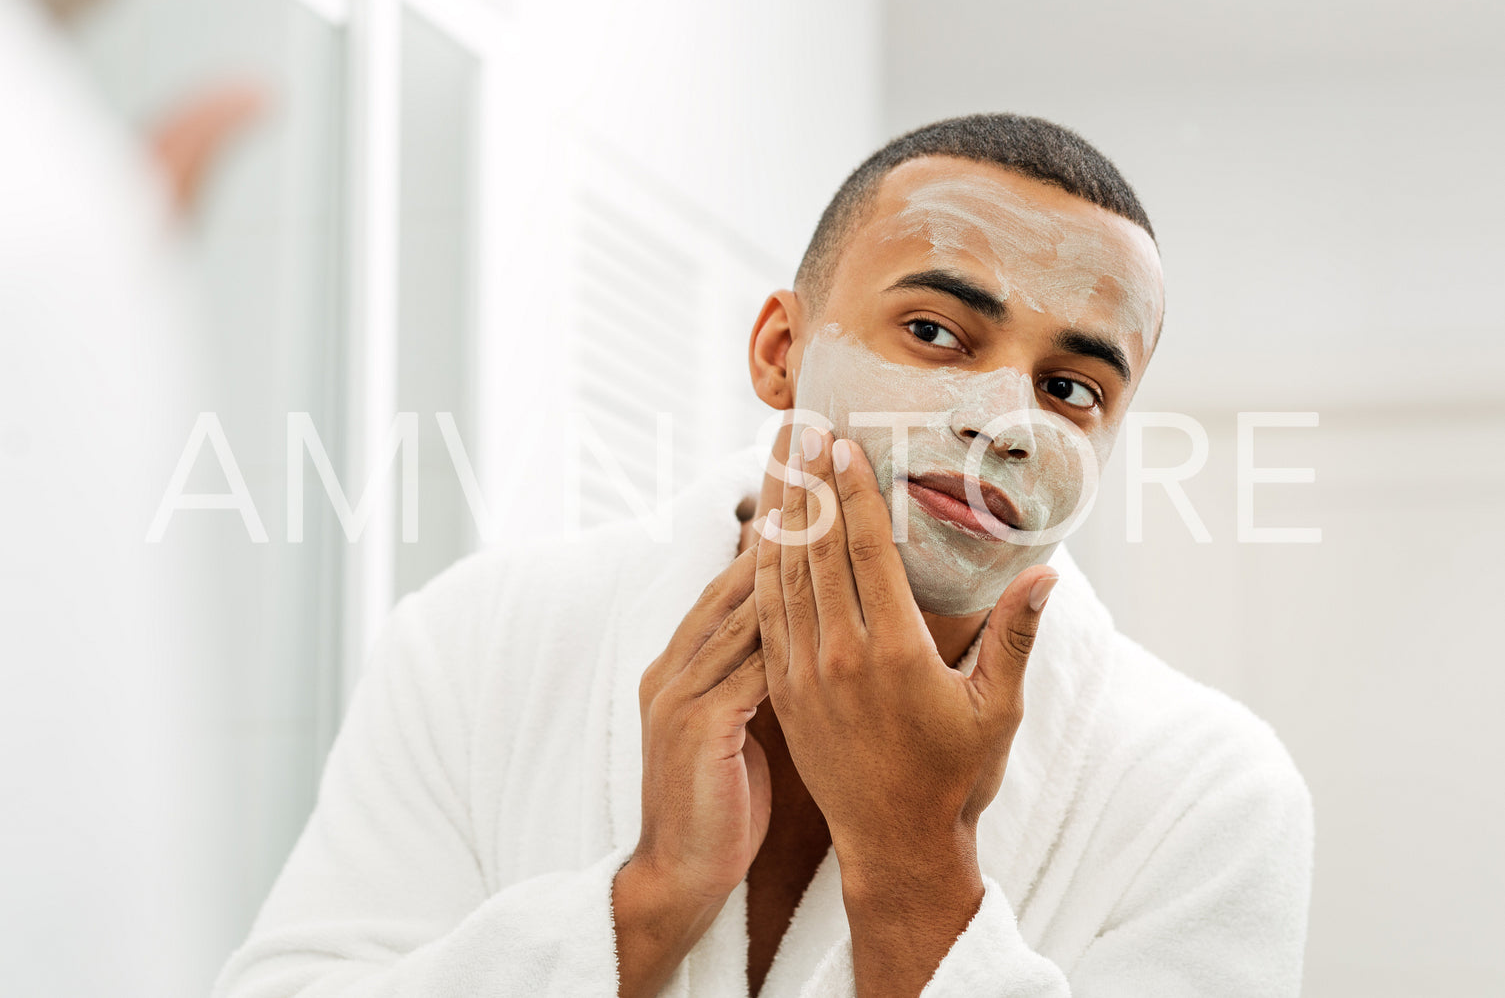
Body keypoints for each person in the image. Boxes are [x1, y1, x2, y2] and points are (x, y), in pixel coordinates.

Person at [211, 114, 1313, 997]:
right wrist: (647, 901)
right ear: (780, 351)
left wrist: (913, 863)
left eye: (1070, 388)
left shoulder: (1208, 795)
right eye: (934, 332)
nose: (1004, 421)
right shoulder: (477, 642)